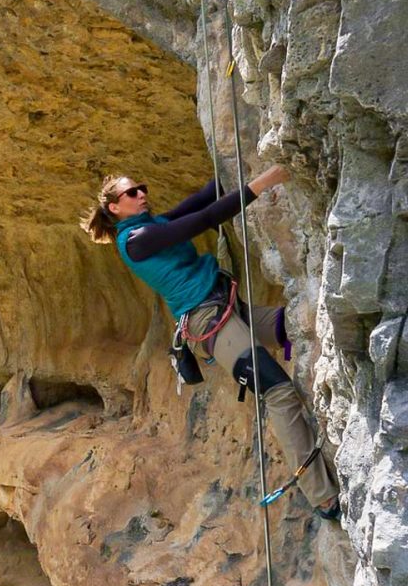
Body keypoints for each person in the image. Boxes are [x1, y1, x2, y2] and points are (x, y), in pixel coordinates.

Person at [81, 167, 340, 519]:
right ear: (114, 207)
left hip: (227, 308)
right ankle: (322, 496)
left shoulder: (150, 226)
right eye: (132, 193)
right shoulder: (136, 240)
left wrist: (229, 170)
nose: (142, 194)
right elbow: (204, 218)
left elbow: (199, 202)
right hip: (209, 322)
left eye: (142, 188)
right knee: (278, 392)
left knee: (294, 327)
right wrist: (264, 182)